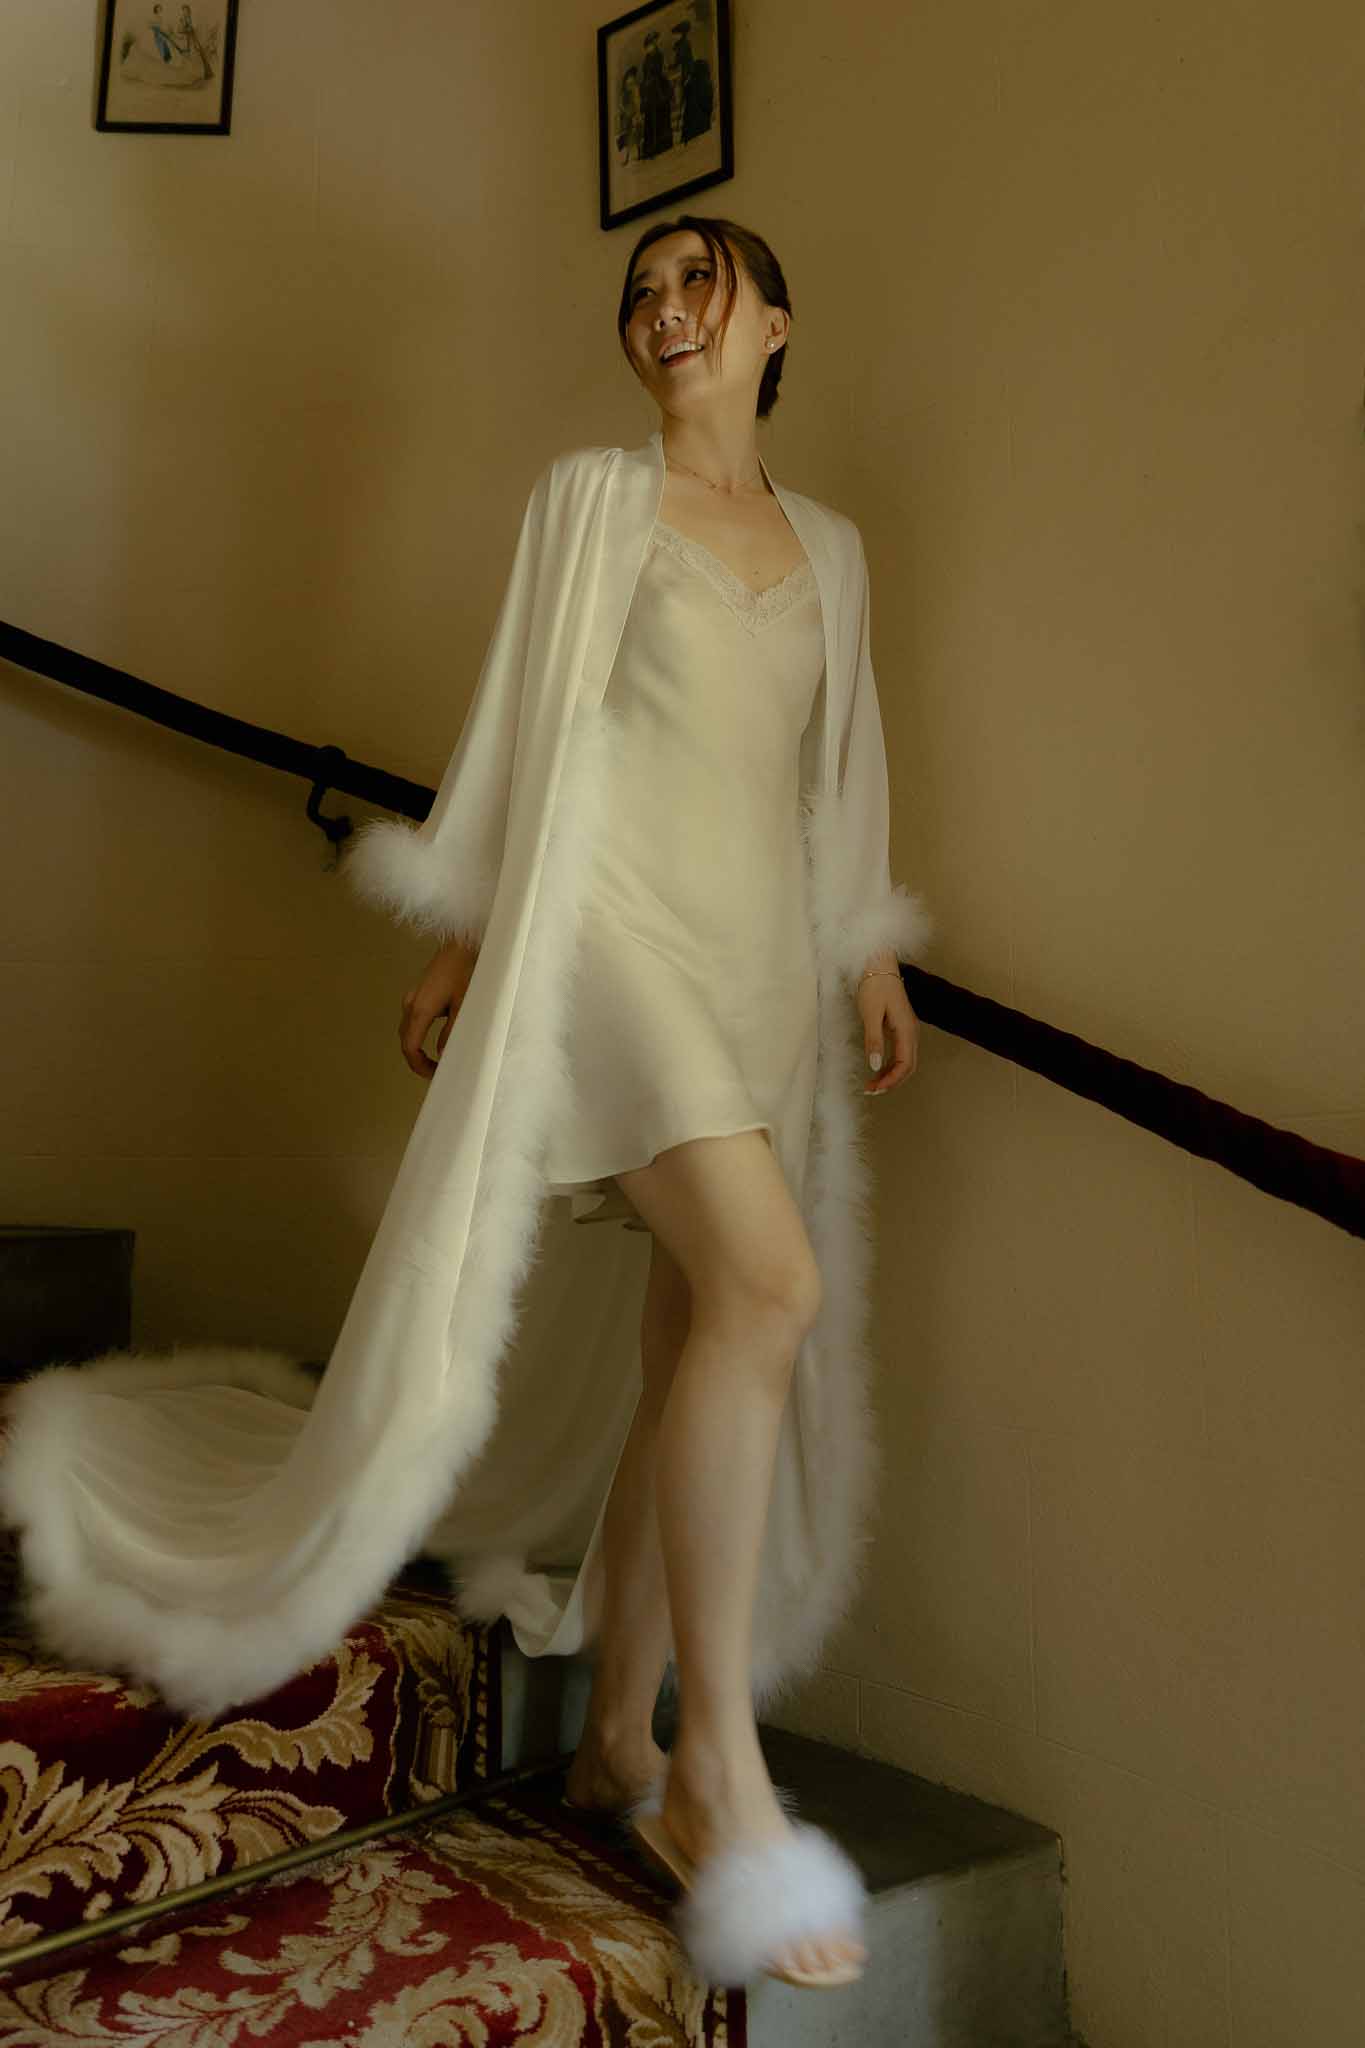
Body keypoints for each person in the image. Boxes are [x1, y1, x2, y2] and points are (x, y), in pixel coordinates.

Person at [393, 217, 922, 1990]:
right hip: (617, 946)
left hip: (761, 966)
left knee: (698, 1331)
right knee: (774, 1287)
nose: (663, 306)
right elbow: (525, 737)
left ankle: (613, 1732)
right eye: (638, 287)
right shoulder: (588, 503)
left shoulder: (831, 549)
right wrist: (469, 940)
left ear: (773, 321)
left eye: (700, 280)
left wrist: (866, 954)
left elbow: (836, 771)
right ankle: (716, 1773)